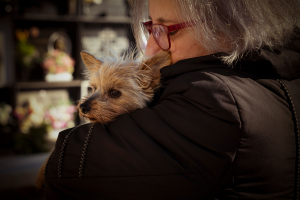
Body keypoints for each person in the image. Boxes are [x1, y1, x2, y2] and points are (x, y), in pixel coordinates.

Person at [44, 0, 300, 199]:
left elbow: (64, 175)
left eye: (166, 30)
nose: (151, 49)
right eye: (151, 28)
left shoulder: (214, 97)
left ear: (227, 27)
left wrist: (59, 155)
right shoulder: (277, 80)